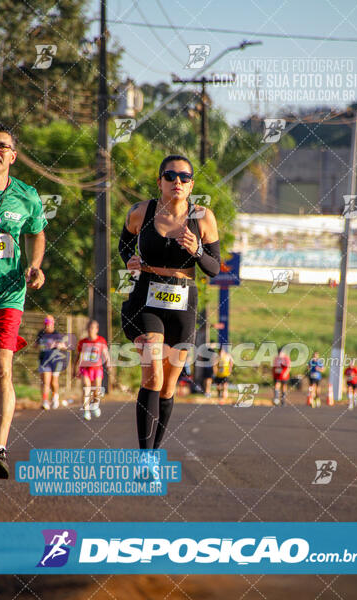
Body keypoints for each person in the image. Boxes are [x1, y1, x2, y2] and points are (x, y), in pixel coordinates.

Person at [119, 154, 220, 465]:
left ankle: (153, 453)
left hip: (182, 301)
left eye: (185, 177)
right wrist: (129, 261)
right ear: (160, 181)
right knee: (152, 373)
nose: (178, 181)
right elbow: (125, 246)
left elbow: (214, 268)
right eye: (171, 176)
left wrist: (197, 250)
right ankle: (144, 457)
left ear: (191, 185)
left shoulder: (203, 217)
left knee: (167, 385)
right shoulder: (140, 212)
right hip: (145, 298)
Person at [0, 124, 47, 478]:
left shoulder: (27, 195)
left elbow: (36, 234)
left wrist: (35, 266)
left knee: (2, 368)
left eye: (3, 145)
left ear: (13, 155)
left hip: (8, 293)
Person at [73, 320, 111, 421]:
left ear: (97, 329)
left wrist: (108, 364)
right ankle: (86, 411)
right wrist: (74, 368)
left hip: (97, 368)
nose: (91, 330)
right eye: (89, 328)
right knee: (86, 387)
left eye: (93, 328)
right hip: (85, 369)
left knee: (96, 389)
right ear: (87, 329)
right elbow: (77, 356)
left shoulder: (101, 341)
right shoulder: (83, 342)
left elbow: (106, 353)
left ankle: (95, 404)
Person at [36, 315, 68, 410]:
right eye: (46, 324)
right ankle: (45, 401)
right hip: (44, 360)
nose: (47, 326)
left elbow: (64, 346)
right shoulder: (41, 334)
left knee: (53, 382)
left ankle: (55, 397)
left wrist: (57, 345)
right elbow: (36, 345)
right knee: (45, 381)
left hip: (55, 361)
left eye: (49, 324)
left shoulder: (57, 334)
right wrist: (42, 345)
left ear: (53, 324)